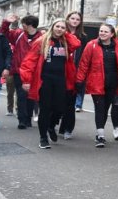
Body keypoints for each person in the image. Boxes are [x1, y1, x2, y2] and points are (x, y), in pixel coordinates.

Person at [19, 19, 81, 149]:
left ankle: (51, 126)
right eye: (57, 26)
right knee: (45, 109)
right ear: (52, 27)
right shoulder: (41, 41)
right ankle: (43, 137)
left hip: (61, 80)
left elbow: (76, 43)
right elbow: (29, 61)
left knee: (60, 108)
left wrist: (67, 33)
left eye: (62, 28)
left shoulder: (65, 42)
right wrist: (26, 80)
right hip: (45, 80)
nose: (59, 29)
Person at [77, 24, 118, 147]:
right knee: (99, 108)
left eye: (106, 31)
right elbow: (83, 64)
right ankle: (100, 135)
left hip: (113, 83)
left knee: (105, 109)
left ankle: (100, 132)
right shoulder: (91, 45)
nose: (102, 33)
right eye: (101, 31)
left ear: (111, 34)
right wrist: (79, 80)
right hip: (97, 82)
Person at [10, 15, 41, 129]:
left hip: (34, 71)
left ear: (28, 25)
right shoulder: (19, 34)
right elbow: (5, 33)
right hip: (20, 70)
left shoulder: (41, 37)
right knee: (21, 95)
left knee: (31, 96)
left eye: (23, 24)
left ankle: (28, 118)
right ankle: (22, 120)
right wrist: (7, 22)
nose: (22, 26)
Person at [60, 11, 85, 139]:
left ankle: (68, 128)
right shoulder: (61, 33)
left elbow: (85, 58)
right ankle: (58, 125)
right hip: (61, 72)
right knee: (59, 102)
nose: (75, 21)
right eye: (72, 18)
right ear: (68, 19)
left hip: (75, 73)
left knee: (71, 103)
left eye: (77, 19)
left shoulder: (83, 37)